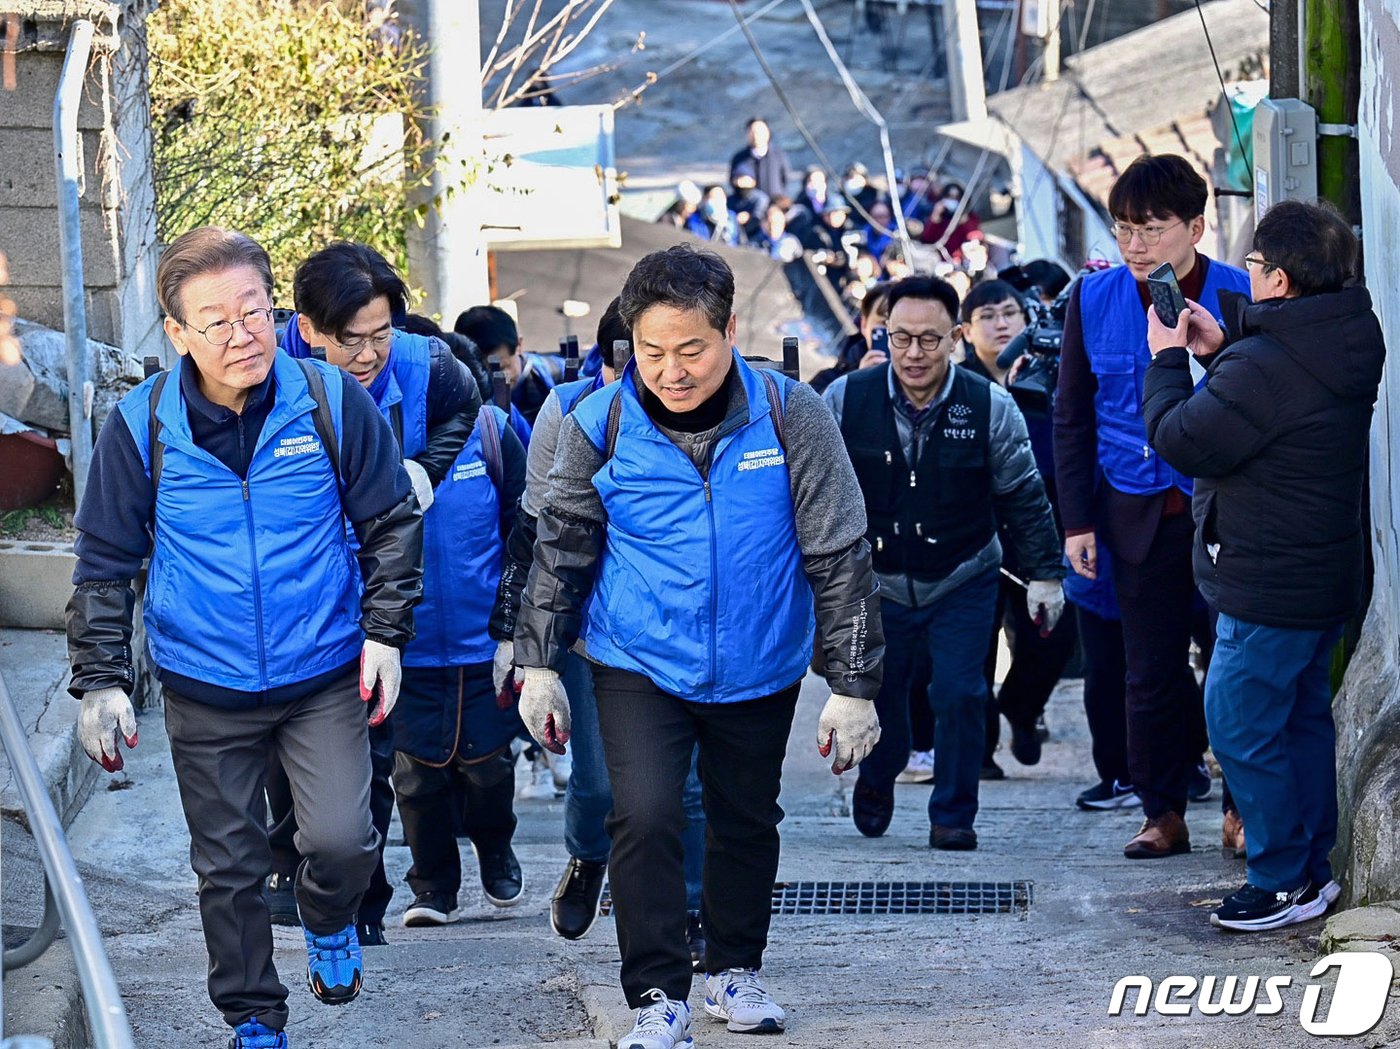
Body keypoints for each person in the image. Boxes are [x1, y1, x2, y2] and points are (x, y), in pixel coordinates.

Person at [513, 244, 883, 1048]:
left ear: (729, 332)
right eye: (652, 352)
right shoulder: (600, 422)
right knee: (642, 813)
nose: (672, 370)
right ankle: (657, 992)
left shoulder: (792, 415)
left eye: (692, 349)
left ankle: (733, 969)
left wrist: (854, 685)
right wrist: (538, 661)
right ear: (630, 346)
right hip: (637, 656)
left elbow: (838, 549)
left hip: (759, 657)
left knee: (744, 816)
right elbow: (561, 549)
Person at [67, 227, 423, 1049]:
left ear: (279, 314)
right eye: (216, 320)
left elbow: (391, 523)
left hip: (323, 672)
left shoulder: (331, 401)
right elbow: (104, 560)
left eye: (254, 312)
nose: (241, 335)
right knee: (227, 868)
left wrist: (385, 633)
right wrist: (103, 678)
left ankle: (328, 916)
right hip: (206, 684)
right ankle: (255, 1017)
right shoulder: (142, 424)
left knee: (342, 837)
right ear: (177, 331)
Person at [1142, 199, 1384, 931]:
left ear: (1276, 281)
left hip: (1268, 577)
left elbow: (1182, 438)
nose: (1245, 276)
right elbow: (1278, 403)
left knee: (1241, 722)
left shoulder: (1266, 365)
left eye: (1252, 266)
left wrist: (1165, 357)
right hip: (1322, 570)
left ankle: (1279, 879)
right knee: (1303, 716)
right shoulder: (1345, 335)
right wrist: (1222, 351)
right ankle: (1311, 869)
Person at [268, 242, 482, 945]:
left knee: (372, 744)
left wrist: (426, 470)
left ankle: (361, 901)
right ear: (307, 327)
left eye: (380, 334)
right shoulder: (259, 359)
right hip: (285, 580)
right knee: (283, 738)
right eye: (349, 340)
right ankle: (290, 868)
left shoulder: (429, 365)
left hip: (378, 580)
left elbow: (467, 404)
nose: (367, 355)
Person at [1053, 153, 1251, 859]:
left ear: (1195, 226)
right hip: (1134, 512)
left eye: (1151, 228)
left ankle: (1240, 810)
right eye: (1124, 228)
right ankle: (1160, 809)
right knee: (1150, 670)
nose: (1135, 244)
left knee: (1233, 662)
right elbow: (1071, 415)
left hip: (1226, 512)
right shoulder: (1091, 297)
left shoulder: (1239, 292)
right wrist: (1077, 521)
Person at [824, 275, 1064, 850]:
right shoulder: (844, 400)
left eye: (929, 340)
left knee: (959, 692)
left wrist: (1046, 575)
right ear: (884, 333)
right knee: (886, 693)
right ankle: (876, 778)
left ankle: (953, 813)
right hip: (875, 580)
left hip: (964, 573)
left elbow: (1024, 495)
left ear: (955, 338)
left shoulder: (990, 407)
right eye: (901, 338)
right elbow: (815, 499)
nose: (913, 353)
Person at [959, 280, 1078, 768]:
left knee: (1054, 639)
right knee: (974, 649)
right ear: (965, 330)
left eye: (1009, 312)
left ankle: (1022, 709)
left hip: (1037, 532)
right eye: (988, 315)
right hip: (974, 535)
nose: (1001, 322)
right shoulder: (956, 385)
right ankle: (980, 747)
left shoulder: (1049, 379)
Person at [455, 304, 560, 428]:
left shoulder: (553, 373)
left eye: (501, 368)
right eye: (480, 372)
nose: (490, 380)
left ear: (519, 346)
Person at [729, 117, 792, 208]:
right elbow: (733, 182)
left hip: (775, 207)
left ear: (768, 133)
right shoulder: (739, 158)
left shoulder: (779, 156)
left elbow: (785, 180)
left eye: (760, 131)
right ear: (747, 134)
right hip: (750, 209)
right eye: (752, 132)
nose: (756, 135)